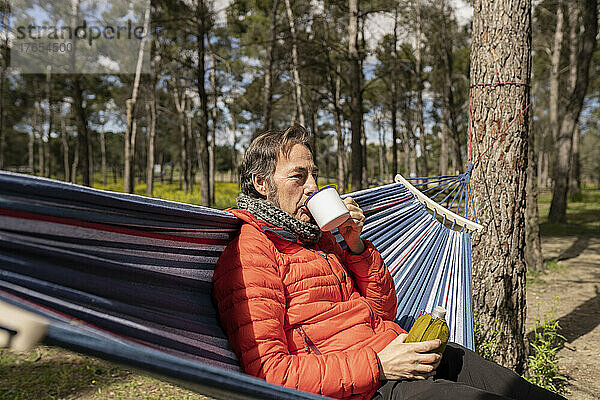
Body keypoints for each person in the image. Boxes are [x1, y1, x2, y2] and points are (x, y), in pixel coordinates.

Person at [212, 125, 565, 400]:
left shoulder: (318, 239)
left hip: (402, 352)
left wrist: (355, 245)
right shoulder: (250, 252)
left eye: (314, 175)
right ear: (261, 184)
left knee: (522, 391)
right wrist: (379, 366)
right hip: (369, 388)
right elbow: (271, 373)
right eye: (298, 176)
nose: (313, 187)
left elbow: (383, 311)